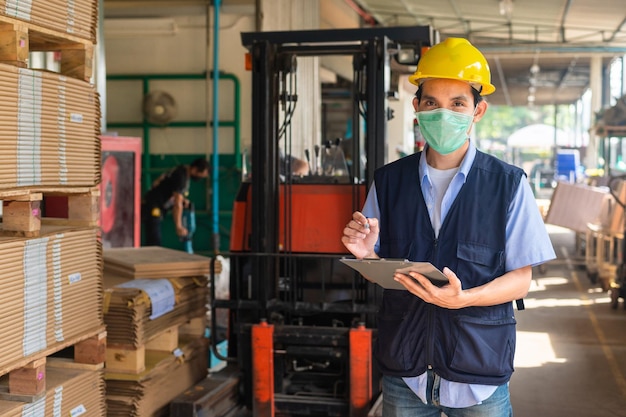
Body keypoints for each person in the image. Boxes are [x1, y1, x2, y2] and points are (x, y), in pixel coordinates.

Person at [341, 38, 556, 417]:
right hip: (405, 372)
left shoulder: (508, 184)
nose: (444, 113)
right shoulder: (389, 181)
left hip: (478, 373)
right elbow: (387, 273)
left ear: (478, 110)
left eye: (458, 103)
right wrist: (368, 256)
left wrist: (464, 299)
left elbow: (521, 280)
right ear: (417, 108)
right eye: (431, 103)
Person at [142, 158, 209, 246]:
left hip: (155, 204)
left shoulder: (181, 170)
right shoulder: (181, 176)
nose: (199, 178)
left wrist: (182, 200)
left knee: (153, 238)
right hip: (153, 206)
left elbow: (158, 182)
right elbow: (177, 204)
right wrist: (179, 226)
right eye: (200, 175)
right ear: (195, 169)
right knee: (154, 240)